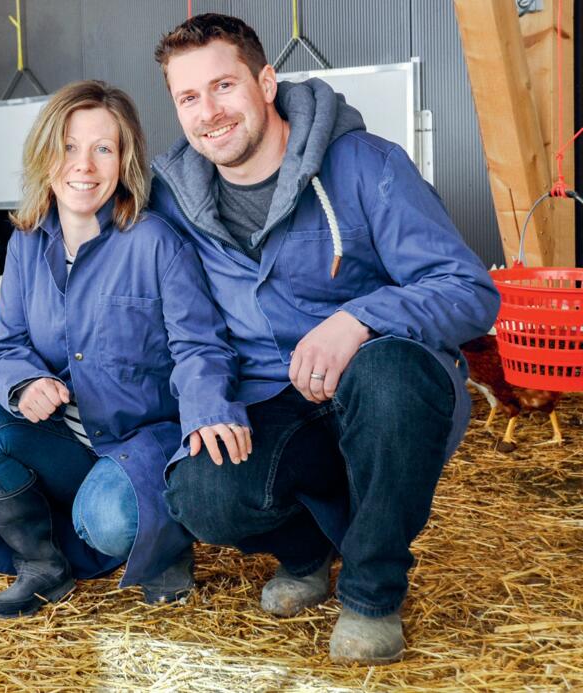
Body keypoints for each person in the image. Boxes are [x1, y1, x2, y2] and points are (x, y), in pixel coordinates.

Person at [147, 14, 500, 663]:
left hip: (378, 389)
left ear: (267, 81)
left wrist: (358, 319)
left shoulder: (366, 166)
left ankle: (370, 592)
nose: (209, 113)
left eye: (224, 86)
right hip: (275, 403)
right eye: (188, 97)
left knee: (391, 377)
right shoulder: (176, 201)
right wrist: (203, 398)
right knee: (199, 490)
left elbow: (471, 290)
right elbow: (191, 328)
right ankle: (308, 551)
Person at [0, 80, 243, 618]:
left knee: (107, 521)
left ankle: (165, 548)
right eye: (70, 147)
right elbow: (6, 342)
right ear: (47, 155)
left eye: (103, 148)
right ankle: (42, 568)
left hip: (139, 440)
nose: (84, 164)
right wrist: (24, 382)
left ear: (124, 161)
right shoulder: (29, 241)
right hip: (66, 441)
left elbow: (200, 345)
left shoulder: (154, 241)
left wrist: (212, 412)